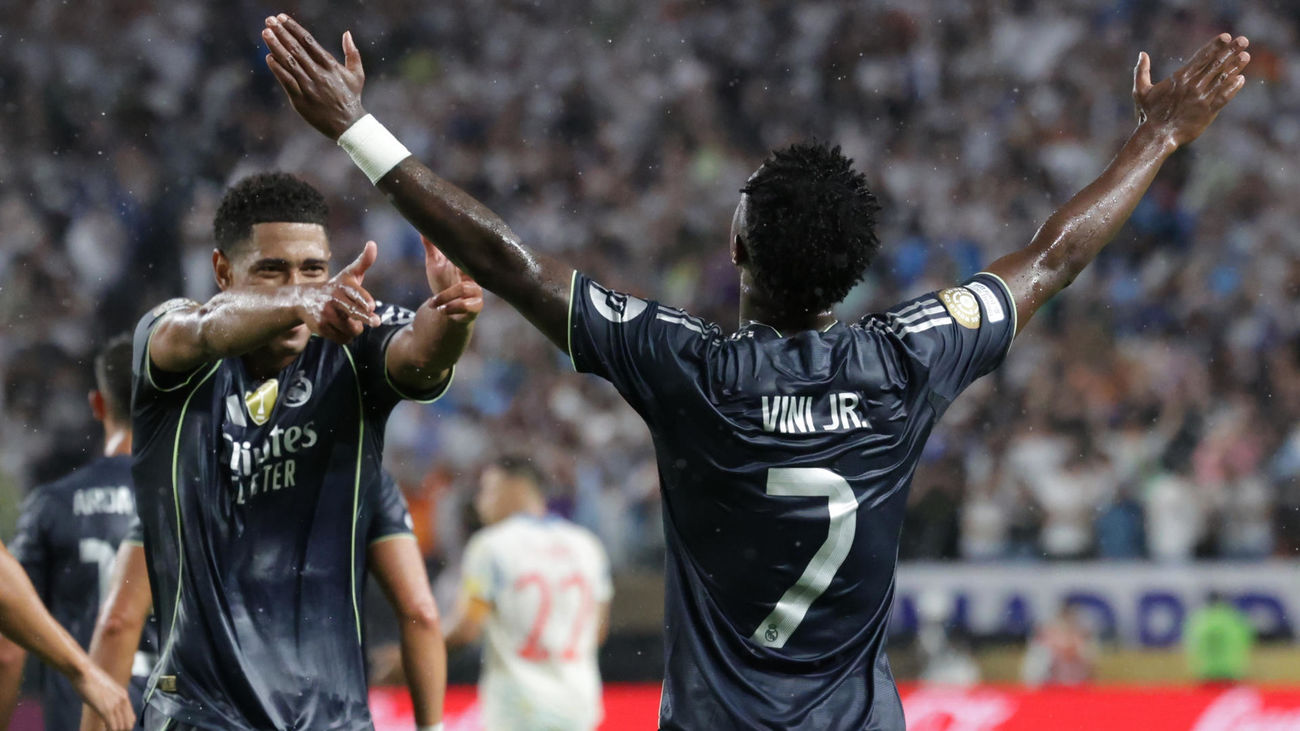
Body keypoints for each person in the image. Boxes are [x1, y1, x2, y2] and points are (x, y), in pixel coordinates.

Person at [263, 15, 1249, 728]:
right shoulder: (908, 353)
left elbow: (510, 261)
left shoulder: (686, 367)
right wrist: (1160, 133)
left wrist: (357, 128)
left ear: (736, 250)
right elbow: (1052, 254)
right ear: (853, 268)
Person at [129, 171, 478, 730]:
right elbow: (200, 330)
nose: (303, 284)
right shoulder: (172, 339)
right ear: (222, 270)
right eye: (273, 270)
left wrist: (453, 321)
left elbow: (418, 355)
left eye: (314, 269)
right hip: (202, 715)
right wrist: (302, 300)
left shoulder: (352, 336)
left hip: (333, 718)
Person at [76, 473, 444, 731]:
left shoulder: (188, 468)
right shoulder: (363, 473)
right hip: (330, 715)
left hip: (208, 715)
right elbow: (420, 613)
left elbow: (118, 621)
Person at [0, 335, 157, 731]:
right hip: (173, 715)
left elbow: (8, 648)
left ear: (98, 405)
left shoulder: (52, 504)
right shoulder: (190, 501)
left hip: (82, 717)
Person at [444, 456, 612, 731]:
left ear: (517, 487)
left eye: (487, 489)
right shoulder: (587, 546)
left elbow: (466, 629)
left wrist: (413, 659)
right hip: (579, 705)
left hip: (519, 707)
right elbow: (598, 631)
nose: (479, 502)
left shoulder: (490, 546)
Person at [1184, 591, 1255, 684]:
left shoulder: (1198, 620)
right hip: (1231, 672)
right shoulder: (1235, 619)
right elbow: (1249, 640)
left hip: (1206, 673)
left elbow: (1191, 643)